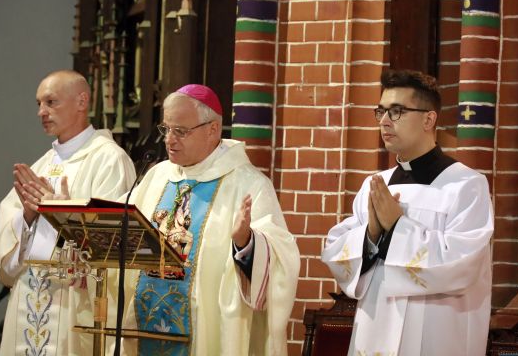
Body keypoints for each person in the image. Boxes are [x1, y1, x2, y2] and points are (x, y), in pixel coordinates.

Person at [117, 84, 300, 355]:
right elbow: (117, 227)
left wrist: (246, 242)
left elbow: (281, 260)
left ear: (212, 129)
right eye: (166, 129)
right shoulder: (158, 176)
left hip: (205, 335)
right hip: (146, 323)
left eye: (180, 131)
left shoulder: (247, 183)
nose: (169, 140)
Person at [321, 69, 494, 355]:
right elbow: (335, 251)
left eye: (397, 111)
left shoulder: (465, 185)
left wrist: (397, 227)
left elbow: (464, 263)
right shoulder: (375, 185)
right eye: (381, 112)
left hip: (436, 337)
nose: (385, 122)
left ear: (429, 119)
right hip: (375, 330)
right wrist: (372, 234)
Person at [0, 70, 136, 355]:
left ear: (82, 101)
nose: (41, 112)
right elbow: (8, 254)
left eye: (50, 102)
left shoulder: (109, 160)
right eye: (38, 104)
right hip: (29, 296)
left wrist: (65, 214)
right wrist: (29, 216)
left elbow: (114, 245)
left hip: (74, 301)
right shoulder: (44, 164)